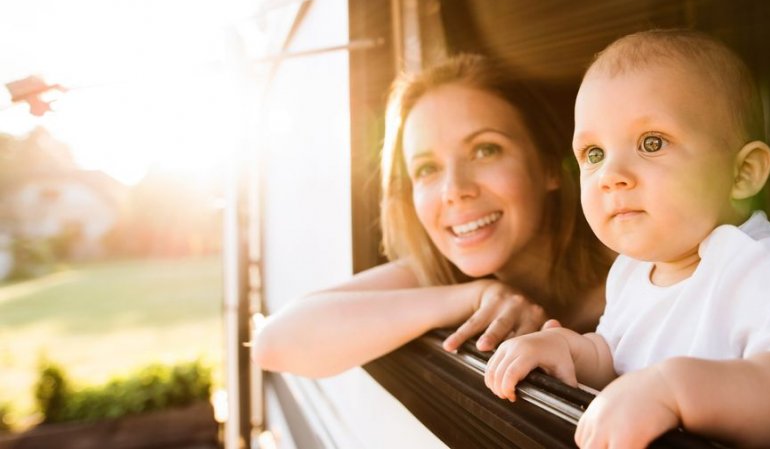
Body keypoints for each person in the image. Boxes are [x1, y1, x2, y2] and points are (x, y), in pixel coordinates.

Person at [484, 29, 770, 449]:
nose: (611, 175)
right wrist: (569, 351)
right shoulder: (631, 269)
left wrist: (675, 390)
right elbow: (615, 356)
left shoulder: (758, 263)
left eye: (652, 143)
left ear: (743, 173)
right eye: (594, 153)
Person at [252, 54, 611, 378]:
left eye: (485, 150)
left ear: (549, 165)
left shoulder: (638, 273)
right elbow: (275, 343)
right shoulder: (439, 271)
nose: (454, 189)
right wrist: (474, 296)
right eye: (427, 169)